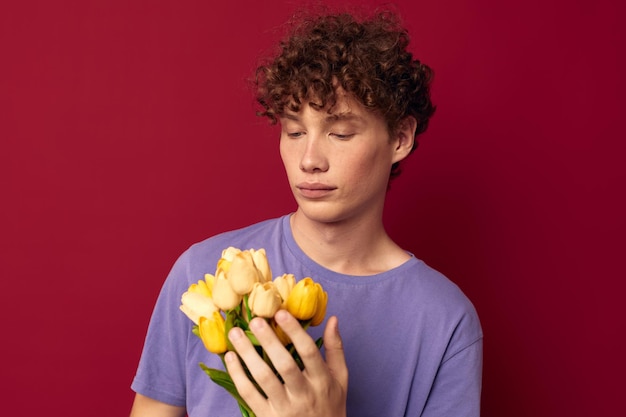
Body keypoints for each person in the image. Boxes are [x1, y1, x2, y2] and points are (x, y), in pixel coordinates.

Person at [129, 8, 482, 417]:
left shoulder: (445, 320)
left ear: (400, 138)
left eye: (340, 133)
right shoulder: (204, 274)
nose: (309, 159)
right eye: (294, 131)